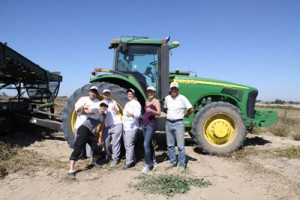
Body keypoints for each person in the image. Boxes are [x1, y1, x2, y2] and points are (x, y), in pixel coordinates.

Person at [68, 101, 108, 180]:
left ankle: (94, 162)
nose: (103, 107)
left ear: (107, 108)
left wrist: (100, 139)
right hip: (83, 129)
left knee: (97, 146)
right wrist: (83, 107)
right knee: (78, 147)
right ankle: (70, 170)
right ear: (100, 106)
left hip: (90, 131)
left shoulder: (104, 116)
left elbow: (101, 128)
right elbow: (83, 112)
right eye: (102, 105)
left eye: (105, 106)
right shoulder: (95, 110)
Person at [164, 82, 194, 171]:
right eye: (172, 88)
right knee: (170, 145)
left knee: (180, 146)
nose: (174, 90)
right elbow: (166, 108)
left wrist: (184, 114)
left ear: (178, 89)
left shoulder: (182, 98)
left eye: (175, 88)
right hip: (168, 123)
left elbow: (191, 109)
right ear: (169, 89)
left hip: (179, 124)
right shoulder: (167, 98)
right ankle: (173, 162)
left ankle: (181, 164)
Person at [74, 85, 100, 161]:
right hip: (80, 125)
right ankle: (79, 156)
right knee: (79, 143)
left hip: (91, 127)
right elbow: (77, 110)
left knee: (90, 147)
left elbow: (98, 115)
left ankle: (90, 158)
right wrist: (83, 106)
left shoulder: (98, 102)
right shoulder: (82, 99)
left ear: (96, 94)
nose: (93, 93)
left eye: (95, 92)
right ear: (89, 92)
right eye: (92, 91)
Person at [141, 86, 161, 174]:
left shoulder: (156, 101)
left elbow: (159, 113)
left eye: (151, 92)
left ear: (154, 93)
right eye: (148, 92)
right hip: (144, 125)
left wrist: (151, 111)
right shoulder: (147, 101)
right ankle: (154, 161)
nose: (150, 93)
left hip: (150, 125)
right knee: (149, 144)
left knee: (145, 144)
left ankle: (147, 165)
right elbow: (146, 113)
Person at [102, 89, 123, 167]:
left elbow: (118, 112)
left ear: (109, 95)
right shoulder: (101, 103)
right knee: (106, 142)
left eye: (107, 94)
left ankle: (115, 159)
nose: (106, 95)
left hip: (117, 124)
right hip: (107, 126)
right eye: (105, 94)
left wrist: (115, 109)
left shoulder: (113, 102)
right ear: (103, 95)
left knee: (115, 143)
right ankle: (108, 156)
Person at [122, 88, 141, 169]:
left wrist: (132, 115)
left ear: (133, 95)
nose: (129, 95)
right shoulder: (127, 103)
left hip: (132, 127)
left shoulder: (136, 103)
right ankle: (132, 160)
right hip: (126, 127)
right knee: (128, 145)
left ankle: (129, 162)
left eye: (131, 94)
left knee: (129, 145)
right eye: (128, 94)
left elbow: (138, 114)